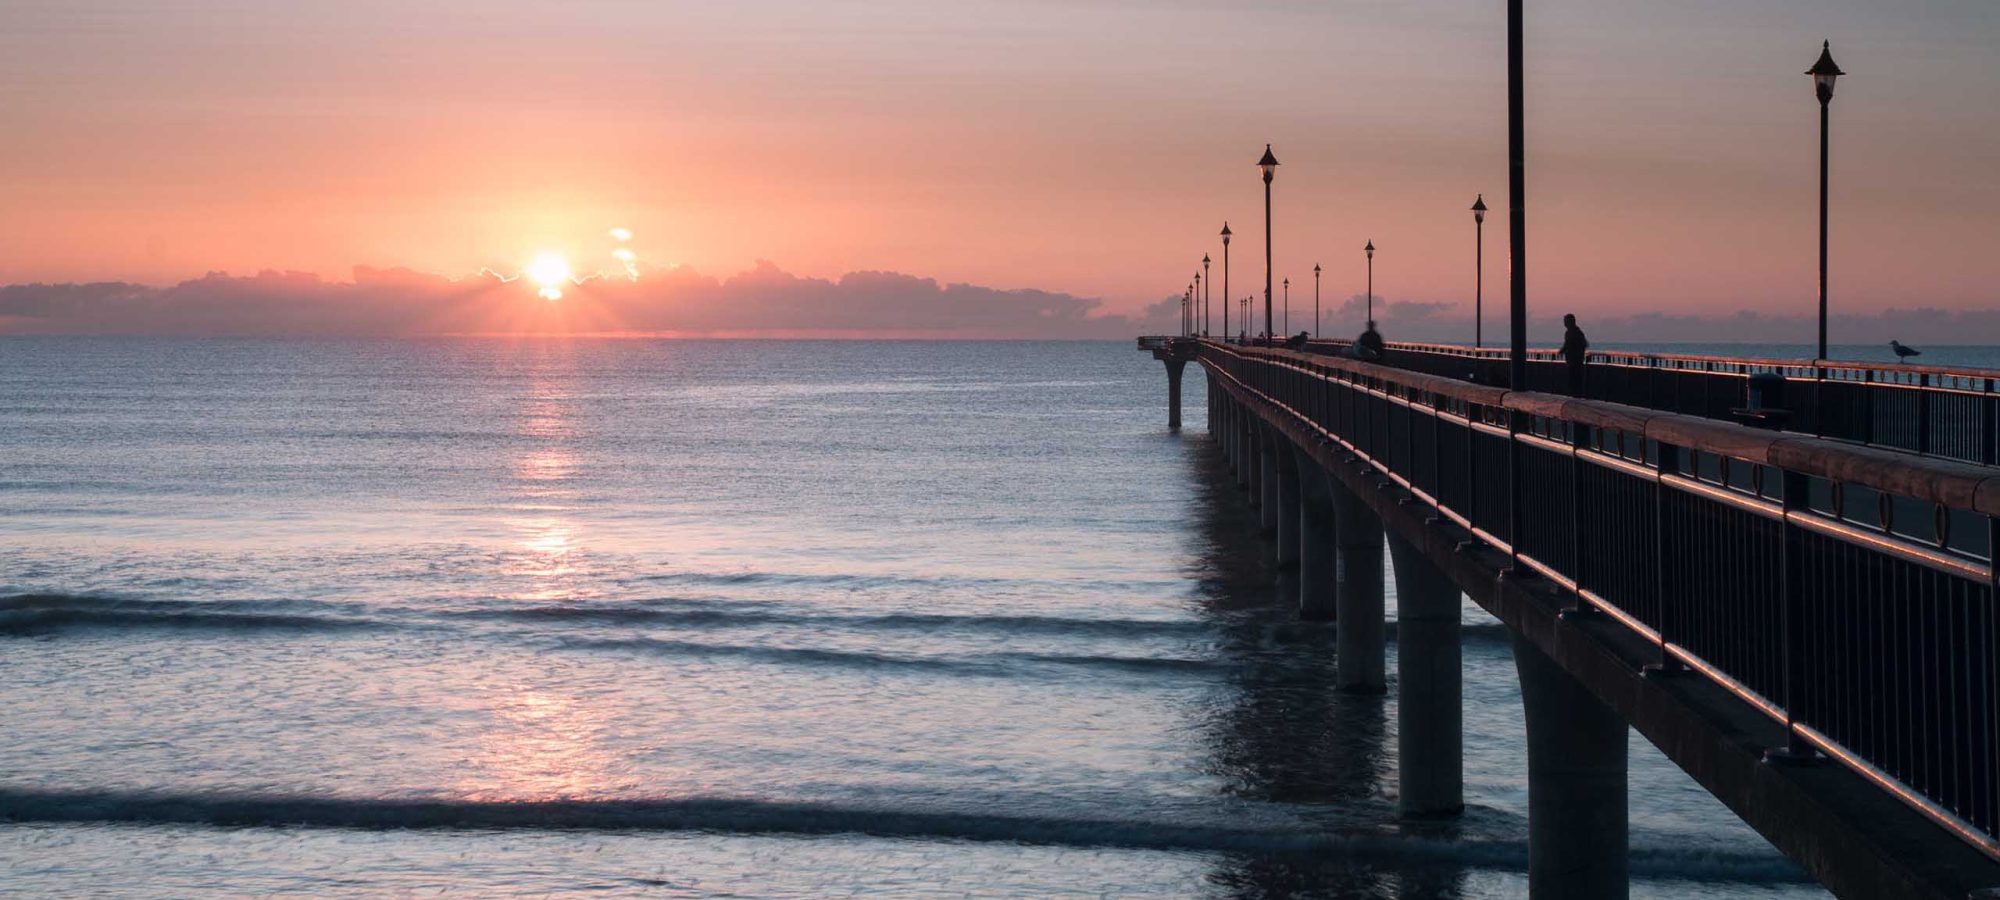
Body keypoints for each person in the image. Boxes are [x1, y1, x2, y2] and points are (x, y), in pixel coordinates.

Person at [1560, 313, 1589, 396]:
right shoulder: (1577, 332)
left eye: (1565, 321)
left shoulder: (1573, 332)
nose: (1564, 323)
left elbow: (1568, 344)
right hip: (1576, 360)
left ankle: (1575, 396)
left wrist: (1561, 351)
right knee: (1575, 380)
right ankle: (1576, 395)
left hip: (1574, 361)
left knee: (1574, 380)